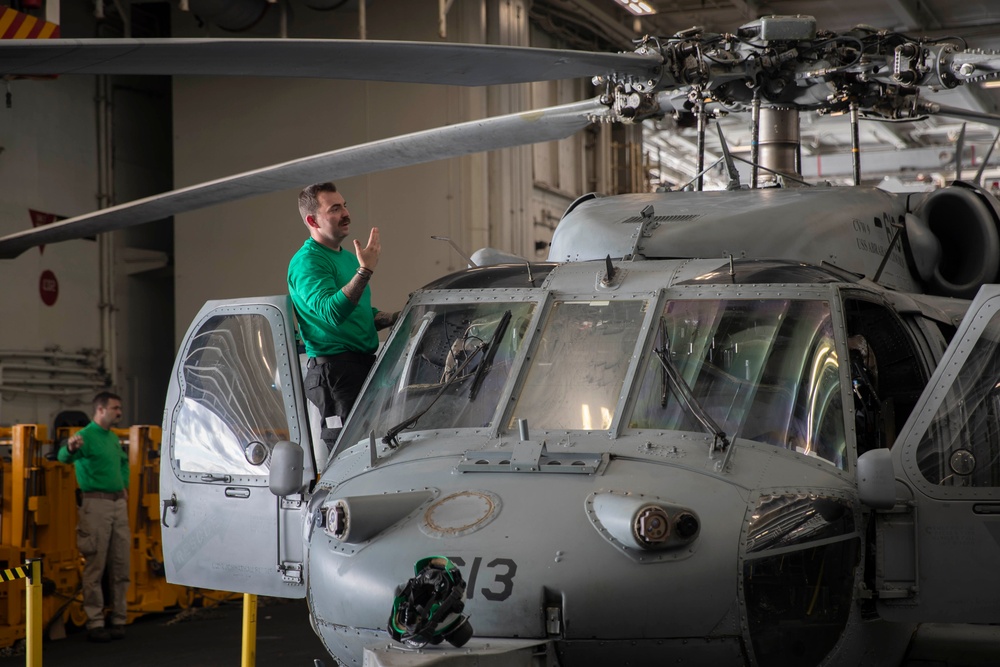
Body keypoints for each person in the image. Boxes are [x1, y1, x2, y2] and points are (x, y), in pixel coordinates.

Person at [288, 182, 398, 448]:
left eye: (344, 206)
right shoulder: (308, 262)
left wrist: (398, 317)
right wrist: (365, 272)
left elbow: (357, 314)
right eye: (335, 209)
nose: (346, 213)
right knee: (348, 453)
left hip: (363, 367)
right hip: (335, 374)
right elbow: (332, 312)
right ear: (312, 220)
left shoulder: (348, 258)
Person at [57, 391, 130, 643]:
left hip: (118, 504)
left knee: (121, 563)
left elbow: (123, 463)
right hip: (96, 504)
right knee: (95, 565)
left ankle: (119, 618)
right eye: (115, 408)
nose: (119, 412)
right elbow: (63, 457)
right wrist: (69, 448)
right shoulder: (85, 437)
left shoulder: (112, 438)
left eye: (119, 408)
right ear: (100, 410)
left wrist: (124, 486)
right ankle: (96, 621)